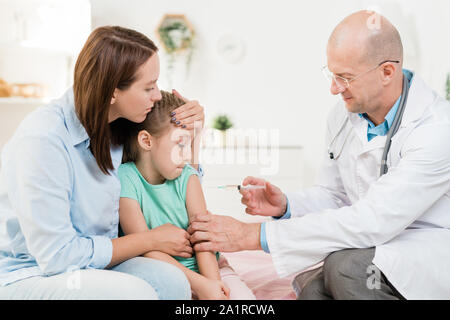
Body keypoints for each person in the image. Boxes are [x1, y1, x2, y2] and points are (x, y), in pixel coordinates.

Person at [188, 10, 450, 300]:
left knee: (345, 267)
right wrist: (286, 205)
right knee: (313, 290)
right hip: (375, 244)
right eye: (332, 74)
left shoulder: (436, 129)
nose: (334, 88)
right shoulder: (342, 115)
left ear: (387, 72)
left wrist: (253, 236)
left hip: (427, 249)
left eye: (345, 78)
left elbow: (374, 218)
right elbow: (336, 196)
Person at [0, 26, 206, 299]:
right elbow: (57, 257)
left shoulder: (121, 123)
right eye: (148, 87)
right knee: (135, 294)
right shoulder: (43, 141)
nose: (157, 95)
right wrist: (149, 239)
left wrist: (194, 133)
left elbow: (173, 180)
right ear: (111, 92)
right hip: (32, 271)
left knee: (173, 282)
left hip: (95, 262)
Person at [118, 90, 256, 300]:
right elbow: (144, 247)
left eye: (190, 144)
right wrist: (199, 285)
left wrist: (214, 285)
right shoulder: (126, 178)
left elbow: (204, 238)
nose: (189, 155)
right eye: (180, 144)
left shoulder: (188, 177)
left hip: (210, 268)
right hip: (164, 272)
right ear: (146, 141)